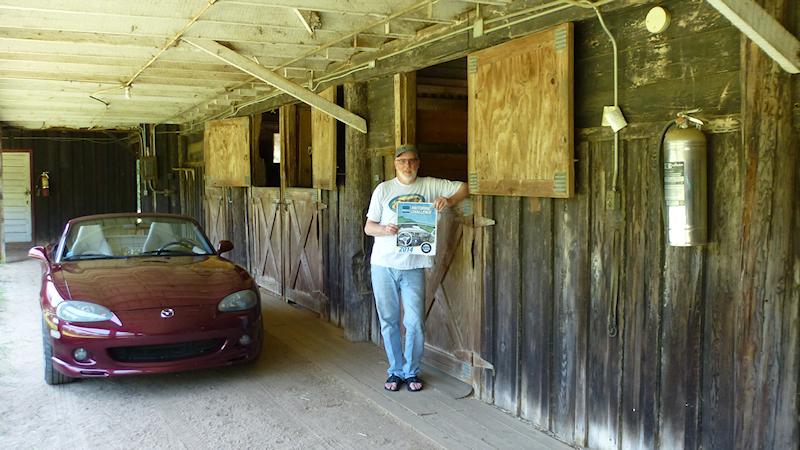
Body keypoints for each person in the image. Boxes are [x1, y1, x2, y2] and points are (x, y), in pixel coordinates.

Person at [364, 144, 469, 392]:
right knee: (389, 320)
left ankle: (411, 371)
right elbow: (369, 227)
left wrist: (450, 200)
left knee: (414, 322)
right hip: (383, 264)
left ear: (418, 163)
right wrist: (385, 230)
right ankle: (395, 370)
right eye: (402, 161)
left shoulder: (430, 185)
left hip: (413, 266)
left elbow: (465, 187)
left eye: (411, 161)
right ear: (395, 164)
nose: (407, 165)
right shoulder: (384, 189)